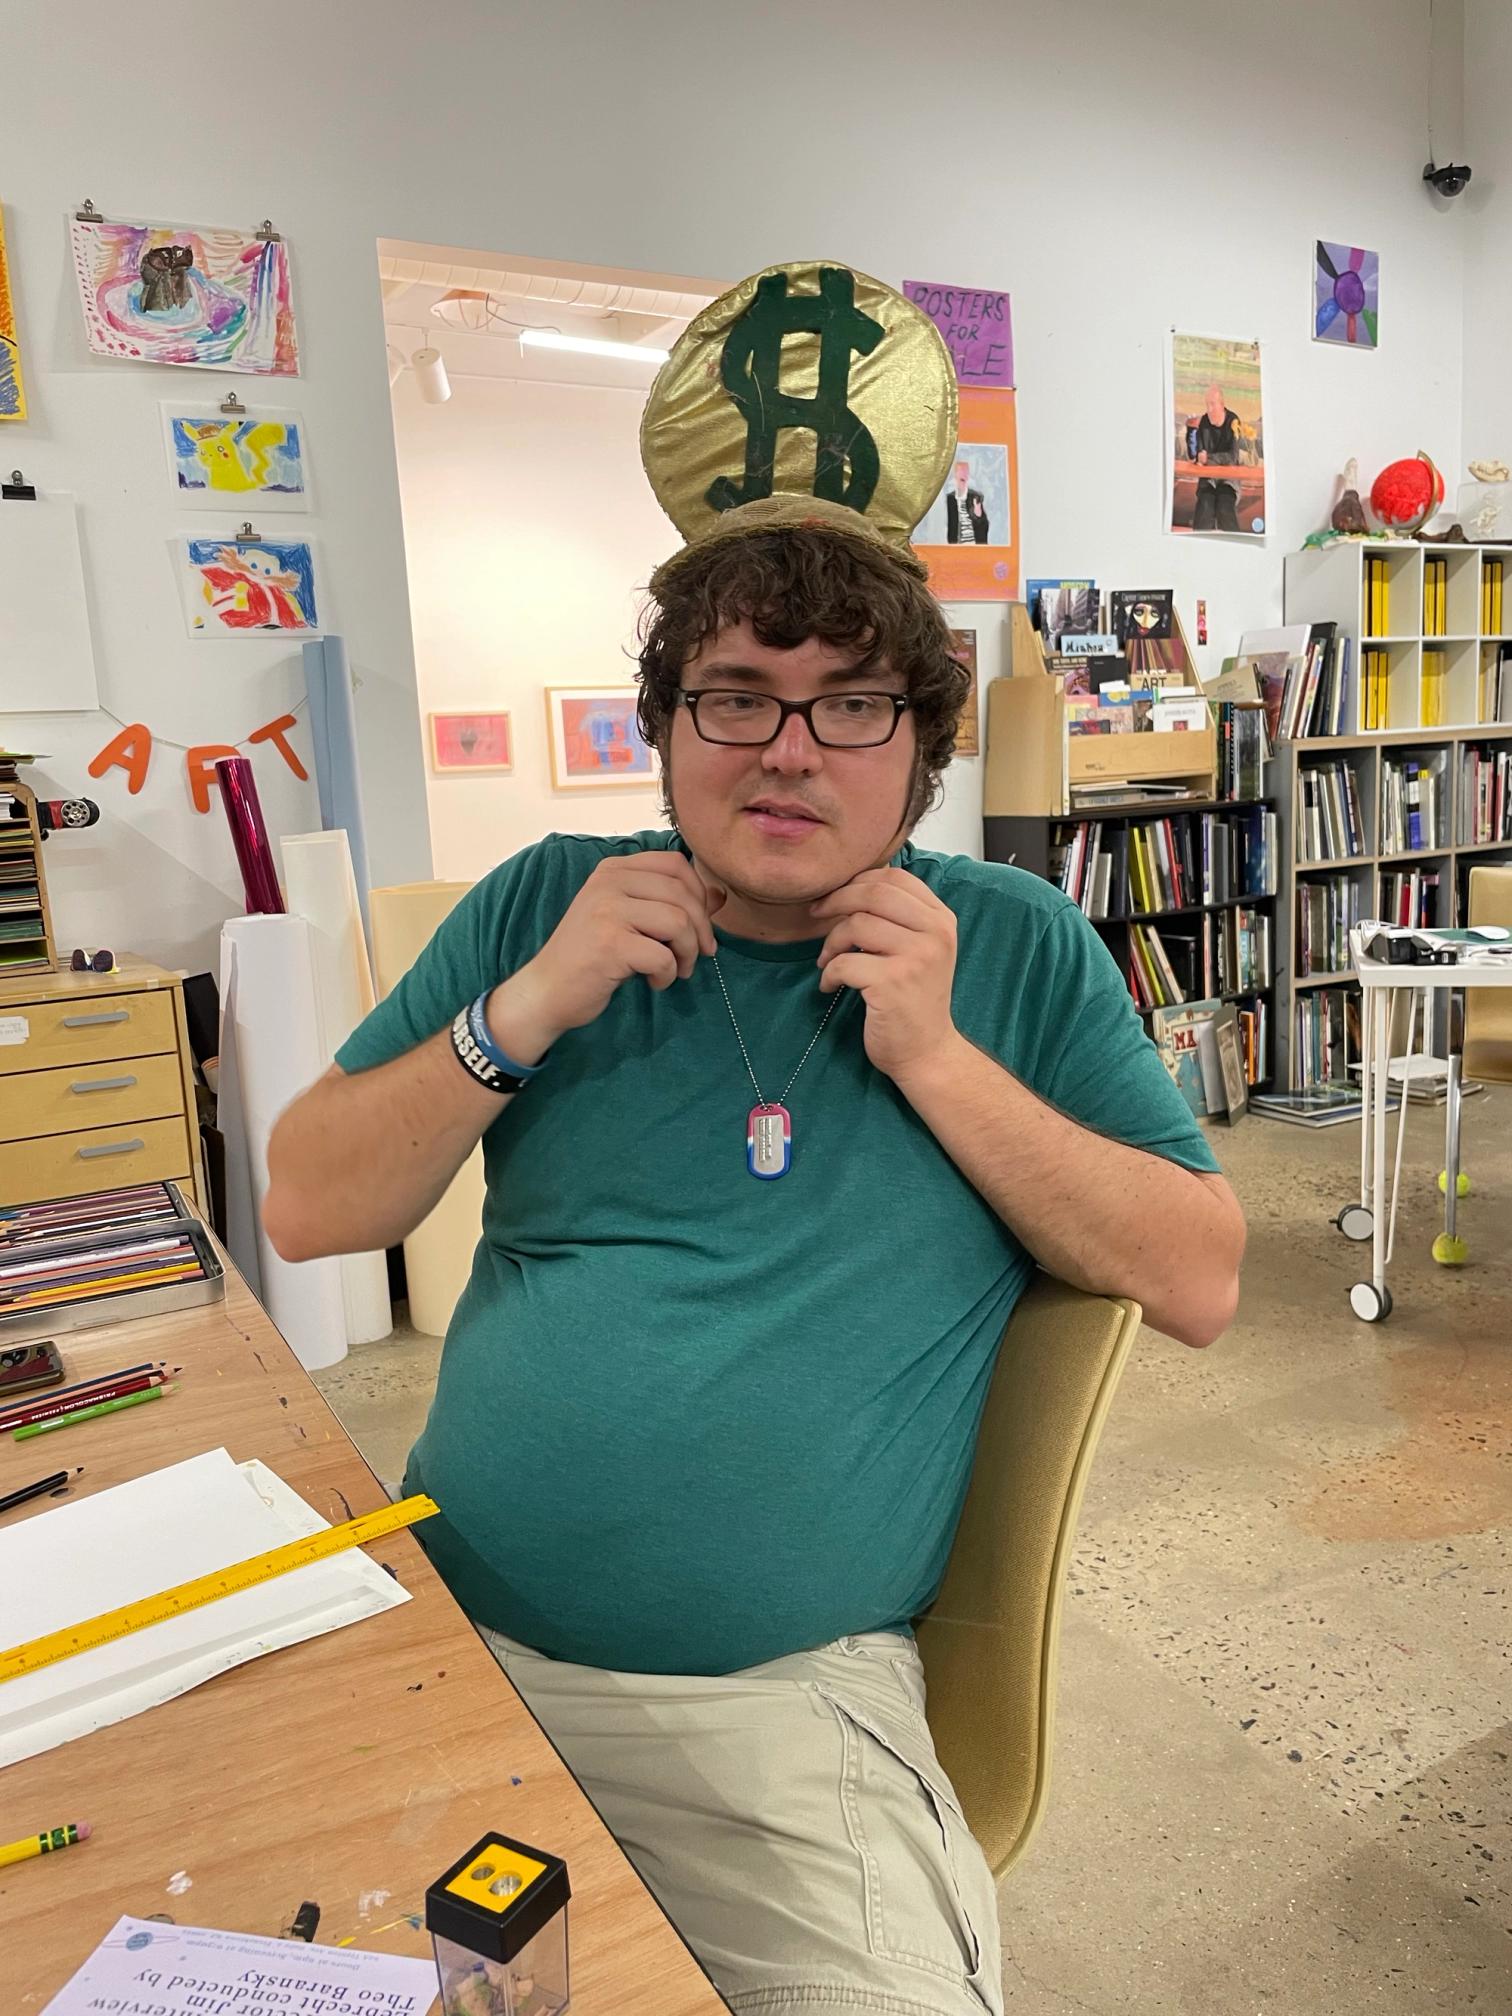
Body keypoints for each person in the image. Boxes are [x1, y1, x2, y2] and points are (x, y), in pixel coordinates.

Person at [264, 494, 1245, 2016]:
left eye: (852, 704)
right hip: (445, 1637)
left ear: (923, 750)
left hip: (780, 1709)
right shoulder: (545, 901)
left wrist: (934, 1055)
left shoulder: (1017, 945)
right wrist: (520, 1013)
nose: (788, 749)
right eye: (735, 695)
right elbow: (306, 1209)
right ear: (663, 728)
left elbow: (1200, 1278)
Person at [1192, 383, 1241, 532]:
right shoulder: (1204, 422)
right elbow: (1200, 454)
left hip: (1228, 479)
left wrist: (1209, 458)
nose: (1209, 409)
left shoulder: (1233, 421)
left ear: (1222, 404)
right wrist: (1201, 458)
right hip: (1208, 478)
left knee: (1225, 506)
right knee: (1205, 506)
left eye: (1212, 404)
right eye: (1207, 405)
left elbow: (1232, 457)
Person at [944, 458, 988, 544]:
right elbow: (950, 528)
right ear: (955, 475)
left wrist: (978, 515)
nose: (963, 474)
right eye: (960, 471)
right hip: (957, 549)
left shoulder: (975, 497)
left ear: (968, 476)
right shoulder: (950, 499)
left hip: (975, 546)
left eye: (965, 472)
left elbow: (984, 526)